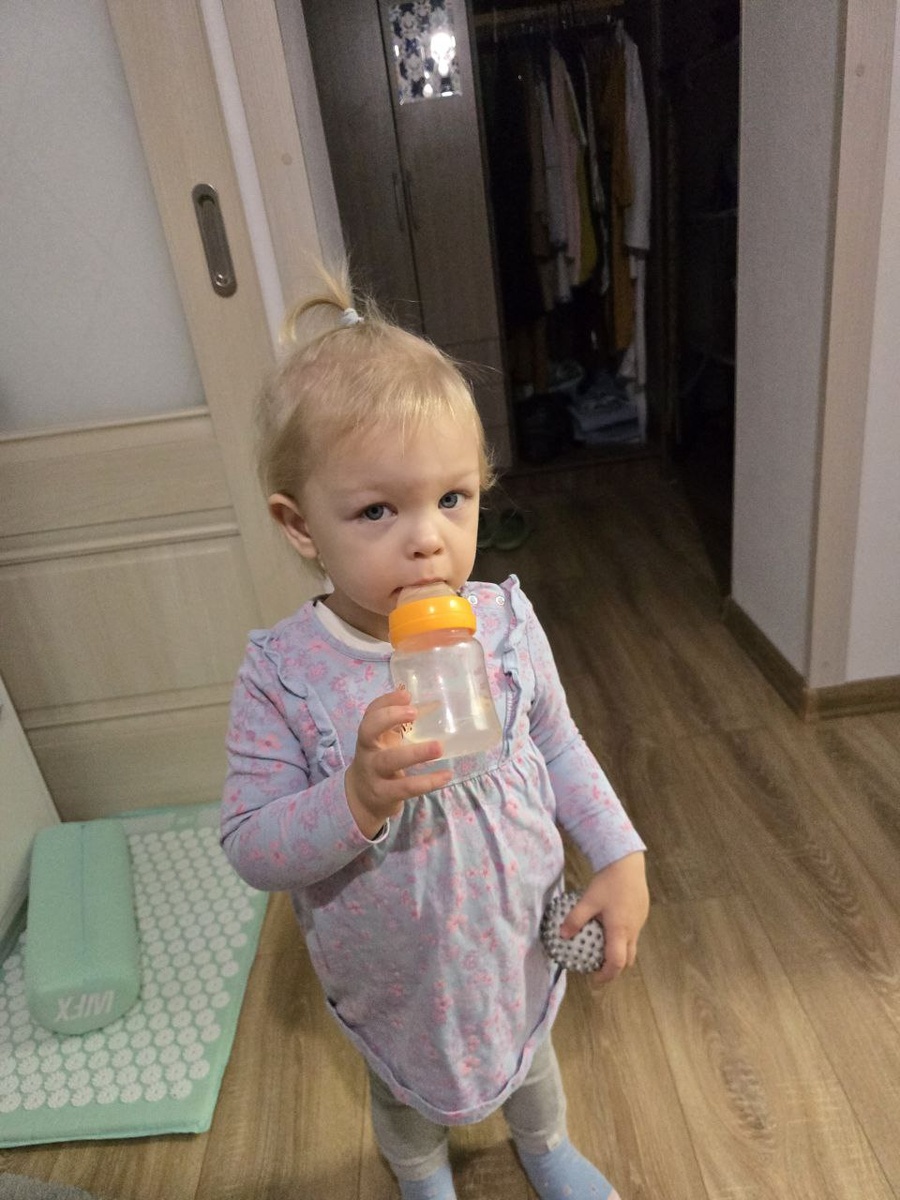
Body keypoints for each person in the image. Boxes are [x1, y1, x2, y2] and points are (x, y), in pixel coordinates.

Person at [220, 264, 649, 1200]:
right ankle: (420, 1175)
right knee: (405, 1096)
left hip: (514, 931)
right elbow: (250, 844)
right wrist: (353, 797)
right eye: (378, 510)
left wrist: (621, 854)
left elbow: (558, 744)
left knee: (531, 1055)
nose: (428, 539)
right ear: (300, 525)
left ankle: (545, 1147)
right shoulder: (284, 674)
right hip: (394, 967)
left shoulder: (505, 622)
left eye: (452, 499)